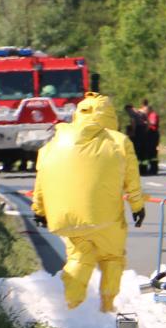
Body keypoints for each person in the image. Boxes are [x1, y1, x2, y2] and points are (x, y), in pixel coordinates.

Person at [30, 93, 146, 313]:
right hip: (106, 218)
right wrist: (137, 207)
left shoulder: (55, 142)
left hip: (66, 219)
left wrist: (39, 210)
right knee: (112, 257)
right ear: (109, 116)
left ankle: (71, 307)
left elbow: (42, 178)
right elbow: (132, 180)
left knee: (79, 257)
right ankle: (107, 307)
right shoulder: (119, 141)